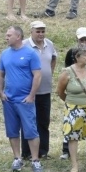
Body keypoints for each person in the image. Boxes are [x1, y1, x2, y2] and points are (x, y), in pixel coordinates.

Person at [0, 26, 43, 172]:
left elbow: (37, 75)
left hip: (24, 100)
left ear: (18, 37)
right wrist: (1, 92)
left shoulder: (30, 53)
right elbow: (0, 74)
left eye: (9, 35)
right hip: (9, 100)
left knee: (30, 130)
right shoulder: (4, 54)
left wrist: (31, 95)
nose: (6, 37)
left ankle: (35, 160)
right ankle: (17, 158)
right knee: (12, 131)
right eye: (6, 35)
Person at [57, 46, 86, 172]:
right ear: (77, 57)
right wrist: (72, 103)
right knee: (73, 137)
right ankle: (74, 165)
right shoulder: (67, 72)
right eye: (85, 55)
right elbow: (60, 92)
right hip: (73, 109)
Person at [24, 20, 58, 160]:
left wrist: (49, 71)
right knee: (28, 121)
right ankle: (26, 153)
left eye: (43, 31)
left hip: (45, 90)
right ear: (31, 31)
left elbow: (54, 57)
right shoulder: (25, 45)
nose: (41, 34)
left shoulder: (49, 44)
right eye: (38, 31)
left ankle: (43, 151)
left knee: (44, 121)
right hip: (28, 90)